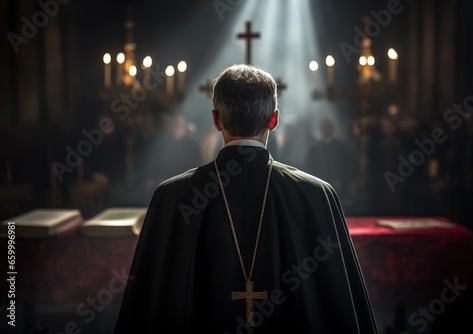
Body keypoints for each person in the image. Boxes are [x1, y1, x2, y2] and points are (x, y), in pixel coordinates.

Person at [114, 64, 378, 333]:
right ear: (273, 120)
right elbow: (339, 304)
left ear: (216, 120)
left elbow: (149, 304)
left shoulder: (171, 197)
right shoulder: (317, 195)